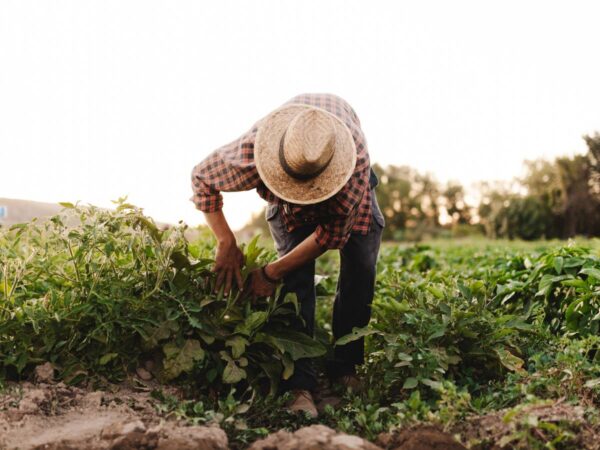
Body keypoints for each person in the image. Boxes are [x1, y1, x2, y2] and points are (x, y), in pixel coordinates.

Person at [190, 93, 384, 417]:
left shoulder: (352, 170)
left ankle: (345, 365)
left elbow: (328, 237)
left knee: (361, 271)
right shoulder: (255, 150)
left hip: (349, 198)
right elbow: (202, 178)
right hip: (285, 194)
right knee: (295, 285)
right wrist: (225, 241)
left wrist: (269, 273)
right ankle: (299, 384)